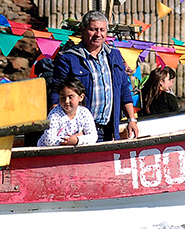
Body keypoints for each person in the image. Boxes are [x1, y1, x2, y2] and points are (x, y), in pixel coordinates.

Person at [50, 10, 138, 141]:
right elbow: (56, 95)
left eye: (102, 30)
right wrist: (60, 129)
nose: (98, 34)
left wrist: (132, 120)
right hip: (79, 132)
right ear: (83, 30)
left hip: (109, 130)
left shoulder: (114, 56)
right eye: (93, 29)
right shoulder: (68, 58)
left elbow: (124, 90)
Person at [37, 77, 98, 146]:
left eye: (70, 97)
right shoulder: (55, 114)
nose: (66, 101)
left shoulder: (84, 113)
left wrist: (77, 140)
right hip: (50, 153)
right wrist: (70, 140)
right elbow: (49, 140)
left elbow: (93, 136)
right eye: (63, 97)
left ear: (81, 97)